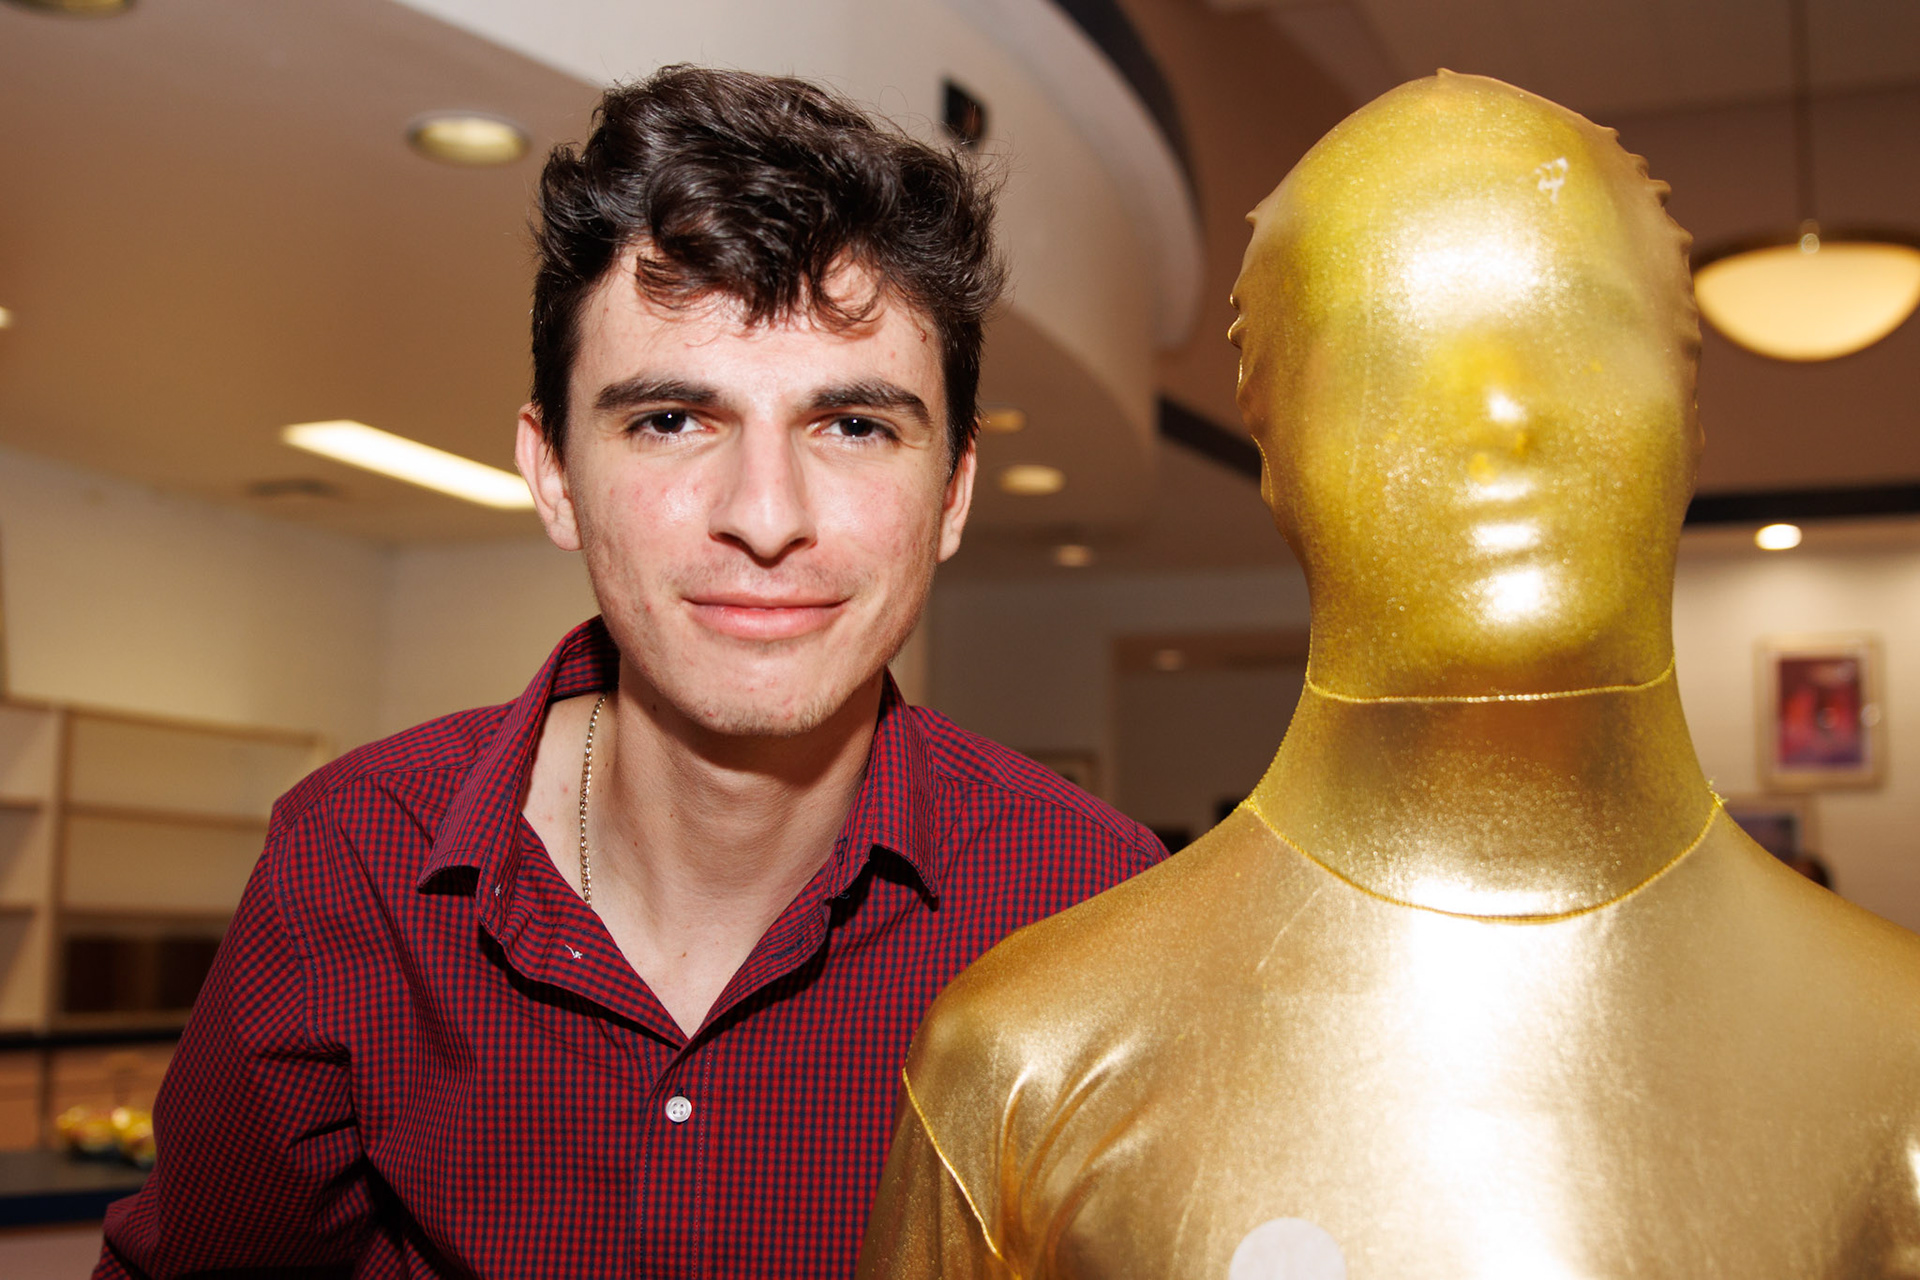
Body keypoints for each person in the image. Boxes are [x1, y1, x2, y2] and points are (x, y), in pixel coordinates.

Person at [98, 65, 1164, 1278]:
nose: (766, 516)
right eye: (671, 419)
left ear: (954, 492)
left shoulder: (1099, 909)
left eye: (854, 425)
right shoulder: (354, 862)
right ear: (554, 471)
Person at [858, 72, 1920, 1278]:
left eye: (1577, 329)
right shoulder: (1028, 1060)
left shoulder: (1897, 1060)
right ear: (1274, 455)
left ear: (1688, 409)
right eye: (1389, 354)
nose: (1498, 412)